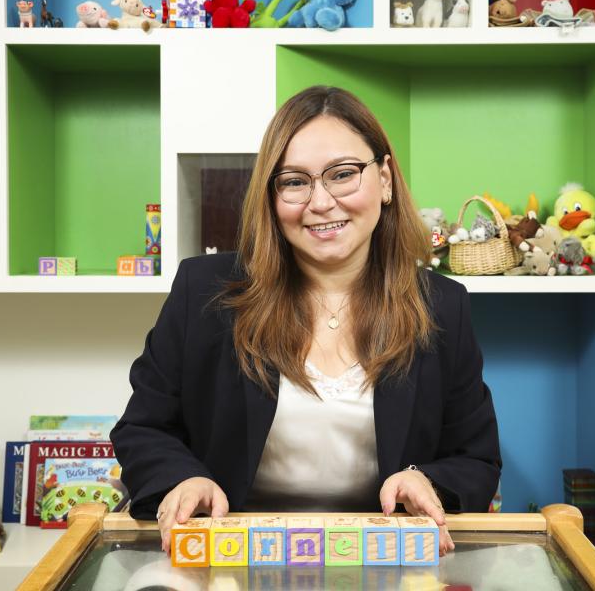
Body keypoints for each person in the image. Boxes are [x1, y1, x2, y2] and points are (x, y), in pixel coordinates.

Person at [111, 85, 501, 556]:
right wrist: (184, 477)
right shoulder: (204, 290)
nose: (320, 202)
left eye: (342, 174)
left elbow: (475, 457)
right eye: (294, 181)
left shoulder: (443, 305)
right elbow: (144, 427)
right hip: (233, 556)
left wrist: (428, 482)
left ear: (385, 180)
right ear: (271, 196)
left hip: (380, 557)